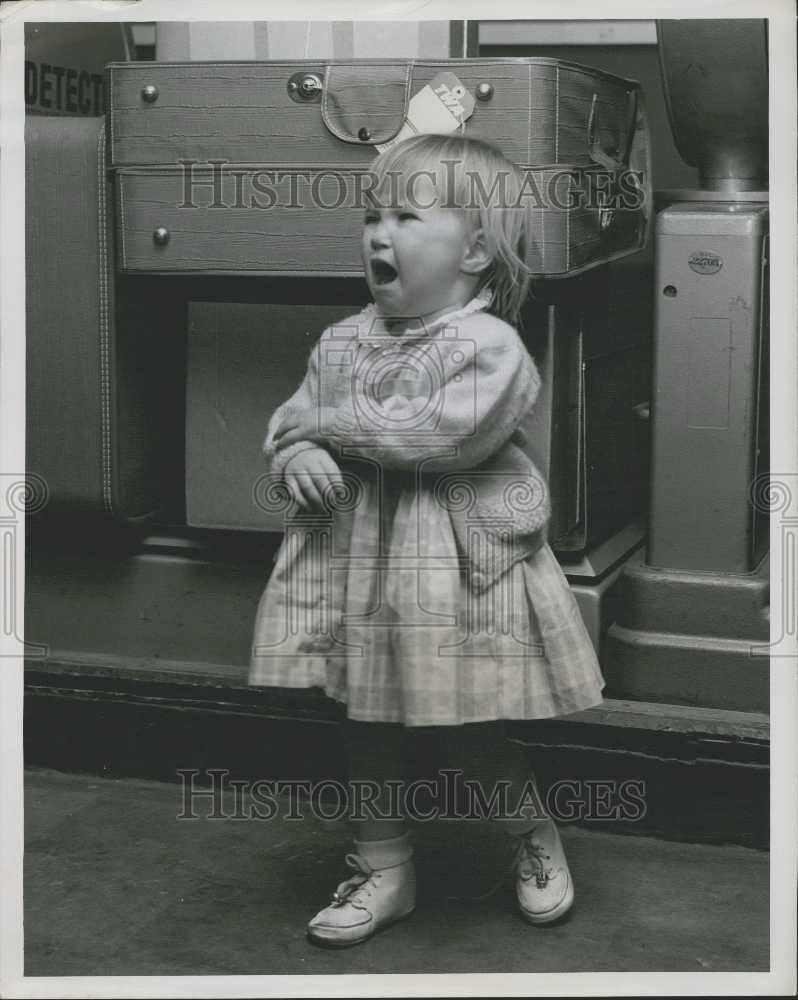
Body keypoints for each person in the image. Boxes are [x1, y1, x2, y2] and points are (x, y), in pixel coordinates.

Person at [249, 133, 605, 947]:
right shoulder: (341, 340)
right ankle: (386, 866)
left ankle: (531, 837)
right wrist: (298, 450)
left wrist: (327, 425)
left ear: (475, 249)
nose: (380, 233)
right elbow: (292, 416)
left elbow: (445, 439)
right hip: (361, 563)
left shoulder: (490, 348)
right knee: (366, 720)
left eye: (407, 215)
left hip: (452, 568)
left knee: (470, 722)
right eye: (372, 215)